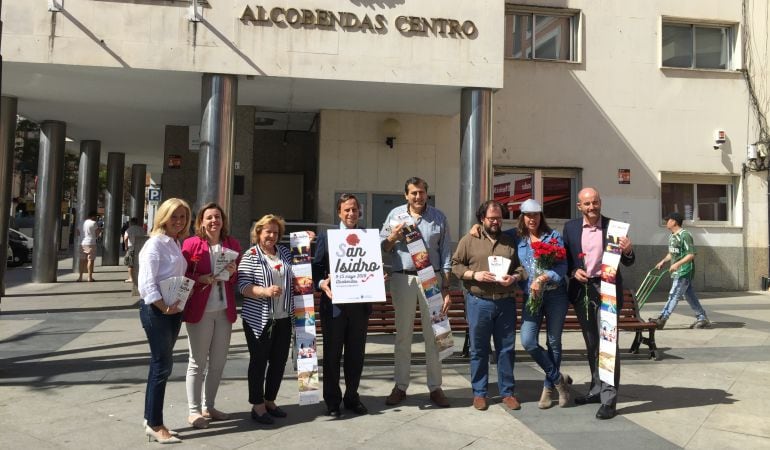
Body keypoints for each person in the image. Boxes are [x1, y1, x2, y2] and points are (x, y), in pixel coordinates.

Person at [562, 187, 635, 420]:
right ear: (579, 206)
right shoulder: (570, 228)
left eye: (595, 202)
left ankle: (609, 399)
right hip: (583, 291)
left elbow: (629, 262)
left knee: (608, 345)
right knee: (593, 344)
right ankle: (596, 388)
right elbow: (565, 260)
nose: (591, 207)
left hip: (608, 291)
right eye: (587, 204)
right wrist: (574, 271)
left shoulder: (614, 227)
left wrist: (629, 251)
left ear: (600, 202)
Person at [380, 177, 453, 408]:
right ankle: (400, 386)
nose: (418, 197)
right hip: (403, 278)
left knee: (436, 334)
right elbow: (382, 247)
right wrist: (393, 237)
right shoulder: (395, 215)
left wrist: (447, 287)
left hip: (431, 278)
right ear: (406, 195)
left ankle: (435, 387)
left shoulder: (438, 217)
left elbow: (447, 254)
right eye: (413, 193)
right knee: (403, 335)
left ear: (426, 194)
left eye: (421, 192)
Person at [451, 200, 526, 411]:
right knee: (478, 350)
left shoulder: (509, 241)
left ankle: (507, 392)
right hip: (479, 302)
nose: (495, 222)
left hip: (505, 302)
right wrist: (475, 274)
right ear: (482, 219)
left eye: (499, 218)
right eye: (491, 218)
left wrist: (513, 278)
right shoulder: (469, 239)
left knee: (506, 349)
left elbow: (521, 268)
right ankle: (480, 392)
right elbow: (456, 265)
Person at [181, 203, 241, 429]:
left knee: (218, 362)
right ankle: (194, 411)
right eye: (209, 217)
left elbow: (234, 280)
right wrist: (201, 279)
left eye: (218, 217)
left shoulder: (232, 244)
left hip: (224, 311)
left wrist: (233, 274)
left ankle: (209, 405)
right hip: (200, 310)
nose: (214, 221)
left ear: (223, 221)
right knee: (197, 362)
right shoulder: (190, 244)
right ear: (201, 221)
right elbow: (182, 273)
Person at [137, 198, 192, 443]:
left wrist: (176, 304)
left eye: (182, 217)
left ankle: (151, 418)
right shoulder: (155, 244)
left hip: (172, 309)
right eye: (174, 216)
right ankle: (155, 424)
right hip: (157, 310)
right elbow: (146, 284)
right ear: (163, 216)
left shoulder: (175, 243)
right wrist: (165, 306)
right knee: (161, 365)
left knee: (161, 365)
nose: (178, 221)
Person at [312, 193, 372, 417]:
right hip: (334, 306)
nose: (351, 213)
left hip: (359, 306)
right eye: (346, 209)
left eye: (354, 209)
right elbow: (316, 266)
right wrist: (321, 283)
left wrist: (375, 278)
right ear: (339, 212)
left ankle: (352, 397)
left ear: (360, 212)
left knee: (356, 355)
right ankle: (332, 400)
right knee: (332, 355)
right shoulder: (327, 236)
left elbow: (371, 265)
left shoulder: (367, 236)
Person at [515, 199, 572, 409]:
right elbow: (493, 235)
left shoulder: (553, 236)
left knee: (553, 342)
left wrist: (543, 277)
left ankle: (548, 388)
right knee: (528, 341)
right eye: (528, 215)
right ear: (522, 216)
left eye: (536, 214)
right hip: (532, 298)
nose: (532, 219)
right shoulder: (516, 237)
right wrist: (477, 225)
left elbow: (563, 265)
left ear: (541, 216)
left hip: (556, 296)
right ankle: (559, 380)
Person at [238, 214, 294, 425]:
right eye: (267, 231)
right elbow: (243, 287)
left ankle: (270, 400)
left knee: (279, 362)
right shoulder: (250, 255)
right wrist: (264, 291)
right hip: (258, 319)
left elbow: (300, 273)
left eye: (275, 232)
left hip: (283, 317)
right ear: (258, 233)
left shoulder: (285, 253)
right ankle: (257, 405)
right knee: (259, 361)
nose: (271, 235)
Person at [653, 212, 711, 330]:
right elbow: (672, 253)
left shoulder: (685, 235)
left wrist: (677, 264)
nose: (666, 222)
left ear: (674, 221)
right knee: (689, 295)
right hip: (677, 270)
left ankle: (663, 318)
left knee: (674, 294)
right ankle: (702, 318)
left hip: (684, 271)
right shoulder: (672, 236)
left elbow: (691, 254)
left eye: (668, 220)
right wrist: (663, 261)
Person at [78, 211, 100, 282]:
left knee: (82, 260)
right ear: (93, 216)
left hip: (83, 243)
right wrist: (96, 235)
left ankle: (80, 277)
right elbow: (97, 233)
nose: (96, 219)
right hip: (91, 243)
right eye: (96, 217)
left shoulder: (81, 223)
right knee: (90, 259)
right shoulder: (93, 223)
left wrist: (82, 236)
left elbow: (78, 232)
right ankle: (89, 277)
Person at [123, 218, 145, 283]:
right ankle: (139, 277)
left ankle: (131, 278)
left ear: (131, 222)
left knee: (130, 264)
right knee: (139, 264)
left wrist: (126, 246)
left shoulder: (129, 229)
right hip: (140, 249)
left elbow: (126, 238)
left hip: (132, 248)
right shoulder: (141, 229)